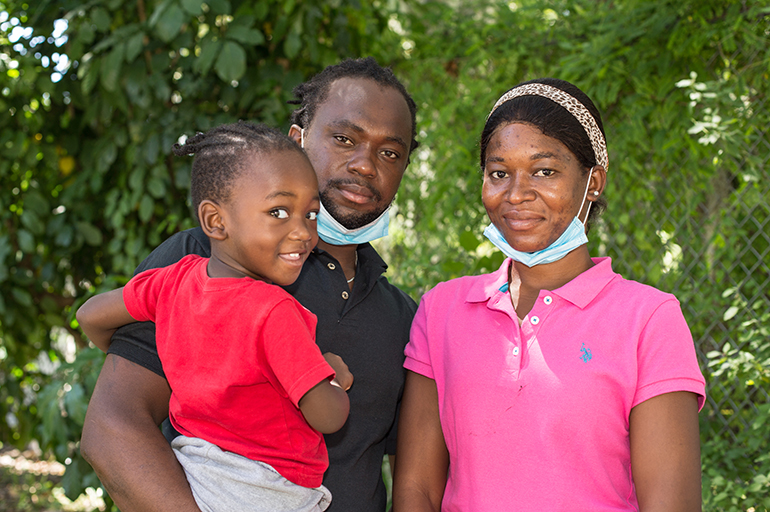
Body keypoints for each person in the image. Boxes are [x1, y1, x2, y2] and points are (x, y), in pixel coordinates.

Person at [80, 57, 419, 512]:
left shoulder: (405, 317)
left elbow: (410, 479)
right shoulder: (203, 261)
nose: (365, 164)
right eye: (344, 138)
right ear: (296, 140)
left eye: (390, 152)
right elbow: (112, 429)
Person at [393, 78, 706, 511]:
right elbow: (417, 491)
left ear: (593, 182)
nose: (517, 194)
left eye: (544, 171)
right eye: (499, 173)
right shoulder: (442, 311)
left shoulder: (648, 319)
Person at [77, 122, 351, 512]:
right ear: (215, 221)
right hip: (267, 491)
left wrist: (179, 358)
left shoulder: (171, 282)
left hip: (196, 475)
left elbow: (90, 315)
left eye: (310, 214)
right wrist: (332, 378)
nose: (303, 232)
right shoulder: (273, 310)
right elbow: (328, 417)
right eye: (278, 211)